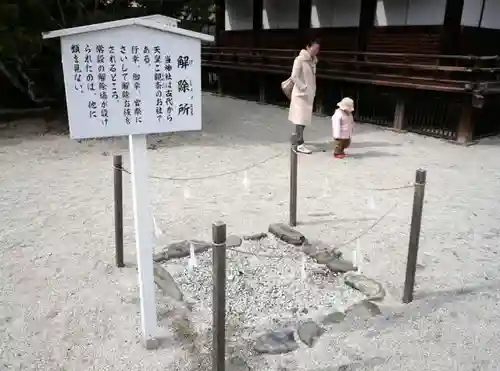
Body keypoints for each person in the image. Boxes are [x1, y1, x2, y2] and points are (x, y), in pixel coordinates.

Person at [288, 40, 320, 154]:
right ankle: (299, 143)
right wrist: (304, 87)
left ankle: (297, 140)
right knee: (300, 119)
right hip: (300, 95)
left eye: (317, 49)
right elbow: (294, 76)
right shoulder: (300, 59)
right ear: (308, 47)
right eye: (314, 49)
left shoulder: (313, 61)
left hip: (309, 94)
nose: (316, 51)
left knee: (304, 120)